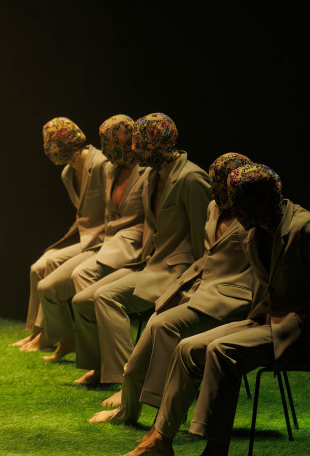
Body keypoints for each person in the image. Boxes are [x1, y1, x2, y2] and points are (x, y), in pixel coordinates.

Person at [122, 163, 310, 456]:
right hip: (266, 321)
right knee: (187, 348)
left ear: (267, 198)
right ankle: (161, 439)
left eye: (244, 205)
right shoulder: (254, 230)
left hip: (301, 330)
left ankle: (216, 448)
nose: (237, 213)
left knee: (222, 350)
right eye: (235, 205)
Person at [89, 152, 255, 424]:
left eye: (221, 186)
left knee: (164, 324)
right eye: (214, 185)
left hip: (229, 298)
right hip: (196, 285)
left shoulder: (252, 219)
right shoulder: (213, 207)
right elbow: (205, 252)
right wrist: (183, 284)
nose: (215, 192)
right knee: (143, 347)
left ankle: (162, 415)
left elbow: (260, 270)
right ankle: (126, 412)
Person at [71, 113, 211, 390]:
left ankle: (126, 381)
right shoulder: (152, 175)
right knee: (82, 300)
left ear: (158, 145)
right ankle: (101, 367)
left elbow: (202, 240)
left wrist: (197, 283)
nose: (134, 150)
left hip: (177, 271)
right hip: (150, 263)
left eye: (140, 144)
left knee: (106, 297)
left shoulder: (191, 178)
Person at [37, 115, 151, 361]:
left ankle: (98, 359)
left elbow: (151, 220)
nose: (104, 150)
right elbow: (101, 214)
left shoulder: (146, 172)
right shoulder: (111, 169)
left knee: (81, 275)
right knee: (47, 284)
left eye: (109, 143)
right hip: (104, 243)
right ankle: (68, 341)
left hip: (130, 248)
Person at [12, 118, 108, 352]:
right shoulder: (67, 174)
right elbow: (82, 214)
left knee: (53, 262)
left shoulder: (102, 164)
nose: (49, 150)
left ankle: (56, 335)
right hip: (83, 236)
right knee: (37, 267)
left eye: (52, 143)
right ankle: (39, 331)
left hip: (104, 238)